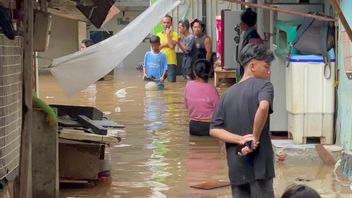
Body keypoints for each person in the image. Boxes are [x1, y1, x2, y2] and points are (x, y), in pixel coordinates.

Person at [210, 43, 275, 198]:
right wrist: (255, 137)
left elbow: (214, 129)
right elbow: (264, 106)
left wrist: (240, 139)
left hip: (236, 167)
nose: (269, 71)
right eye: (266, 66)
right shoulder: (264, 85)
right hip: (260, 167)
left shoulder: (227, 94)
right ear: (252, 66)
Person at [184, 59, 220, 136]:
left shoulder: (188, 85)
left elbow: (187, 106)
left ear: (194, 72)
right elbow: (219, 112)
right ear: (210, 72)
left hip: (193, 127)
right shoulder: (212, 89)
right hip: (210, 127)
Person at [157, 15, 180, 83]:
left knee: (171, 84)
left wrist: (167, 35)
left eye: (168, 22)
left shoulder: (175, 34)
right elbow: (156, 49)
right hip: (160, 62)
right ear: (161, 23)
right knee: (159, 83)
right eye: (164, 22)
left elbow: (171, 46)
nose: (166, 24)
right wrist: (165, 44)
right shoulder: (157, 35)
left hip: (171, 62)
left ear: (171, 23)